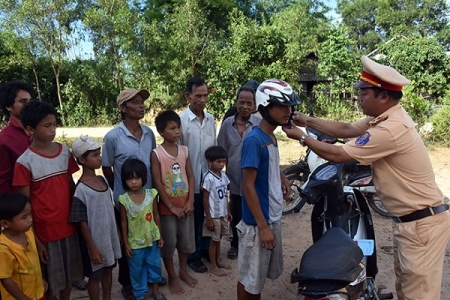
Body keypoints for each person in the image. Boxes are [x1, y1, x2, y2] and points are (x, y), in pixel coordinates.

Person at [282, 56, 450, 300]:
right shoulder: (386, 117)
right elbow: (347, 130)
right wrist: (307, 121)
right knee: (407, 289)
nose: (359, 96)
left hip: (421, 224)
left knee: (418, 295)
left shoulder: (389, 129)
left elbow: (338, 154)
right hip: (411, 222)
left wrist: (301, 137)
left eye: (364, 92)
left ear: (383, 97)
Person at [12, 101, 84, 300]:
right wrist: (35, 239)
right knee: (51, 283)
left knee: (68, 279)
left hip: (69, 227)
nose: (53, 129)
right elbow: (24, 206)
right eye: (47, 125)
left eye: (54, 124)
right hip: (45, 233)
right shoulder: (24, 162)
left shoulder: (63, 152)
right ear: (30, 129)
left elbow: (71, 188)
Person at [237, 79, 296, 300]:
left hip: (270, 216)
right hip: (257, 223)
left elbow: (269, 163)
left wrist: (281, 176)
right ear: (265, 107)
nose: (288, 111)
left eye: (289, 106)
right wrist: (262, 227)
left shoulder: (271, 136)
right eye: (282, 106)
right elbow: (247, 185)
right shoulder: (254, 140)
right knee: (249, 278)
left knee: (258, 279)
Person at [102, 88, 161, 299]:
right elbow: (107, 168)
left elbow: (151, 165)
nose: (141, 105)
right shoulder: (112, 137)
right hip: (125, 202)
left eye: (141, 101)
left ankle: (151, 279)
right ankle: (127, 283)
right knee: (128, 241)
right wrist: (120, 190)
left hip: (148, 199)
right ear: (122, 108)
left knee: (148, 238)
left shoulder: (149, 133)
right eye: (135, 102)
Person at [69, 135, 122, 300]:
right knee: (94, 276)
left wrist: (118, 232)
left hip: (108, 238)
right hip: (95, 243)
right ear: (82, 160)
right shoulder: (81, 190)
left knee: (108, 270)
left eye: (99, 153)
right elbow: (81, 222)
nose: (100, 157)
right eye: (95, 155)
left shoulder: (102, 180)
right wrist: (92, 248)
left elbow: (109, 208)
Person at [151, 110, 197, 294]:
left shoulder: (184, 150)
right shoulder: (157, 153)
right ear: (162, 131)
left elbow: (191, 176)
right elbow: (157, 181)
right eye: (172, 128)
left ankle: (183, 271)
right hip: (167, 209)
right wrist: (170, 206)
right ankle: (172, 276)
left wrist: (190, 201)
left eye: (178, 127)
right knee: (169, 245)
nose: (177, 131)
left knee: (185, 243)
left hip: (185, 206)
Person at [218, 85, 262, 260]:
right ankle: (235, 244)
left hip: (254, 180)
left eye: (249, 103)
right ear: (236, 103)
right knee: (236, 214)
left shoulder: (259, 124)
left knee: (253, 211)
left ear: (254, 106)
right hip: (234, 180)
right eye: (241, 102)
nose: (245, 106)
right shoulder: (227, 125)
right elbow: (221, 151)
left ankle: (252, 245)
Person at [179, 77, 217, 273]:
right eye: (198, 96)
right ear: (188, 96)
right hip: (189, 178)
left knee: (208, 214)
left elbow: (214, 150)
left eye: (205, 95)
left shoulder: (211, 120)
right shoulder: (181, 122)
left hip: (209, 178)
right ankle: (192, 255)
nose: (202, 100)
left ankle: (204, 250)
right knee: (192, 218)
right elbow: (177, 153)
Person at [118, 158, 166, 300]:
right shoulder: (124, 199)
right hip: (135, 243)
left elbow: (156, 215)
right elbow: (123, 222)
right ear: (124, 180)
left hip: (152, 239)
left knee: (155, 265)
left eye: (137, 178)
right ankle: (140, 295)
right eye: (129, 179)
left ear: (143, 178)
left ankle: (155, 292)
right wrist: (126, 244)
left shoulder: (151, 194)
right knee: (137, 270)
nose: (133, 182)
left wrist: (160, 236)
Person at [0, 192, 47, 300]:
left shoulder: (28, 232)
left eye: (30, 214)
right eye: (24, 217)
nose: (30, 219)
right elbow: (5, 279)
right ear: (5, 224)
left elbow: (33, 263)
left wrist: (40, 280)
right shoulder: (3, 248)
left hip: (38, 293)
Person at [202, 145, 232, 277]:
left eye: (223, 161)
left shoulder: (224, 176)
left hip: (223, 213)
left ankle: (218, 261)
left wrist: (228, 211)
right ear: (210, 161)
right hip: (213, 215)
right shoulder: (208, 178)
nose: (221, 164)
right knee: (214, 240)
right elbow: (205, 199)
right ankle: (213, 265)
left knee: (219, 238)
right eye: (218, 162)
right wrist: (208, 218)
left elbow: (226, 195)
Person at [0, 81, 33, 193]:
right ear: (9, 106)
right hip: (21, 204)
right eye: (23, 102)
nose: (29, 105)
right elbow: (2, 182)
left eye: (30, 101)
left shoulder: (37, 132)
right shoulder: (4, 140)